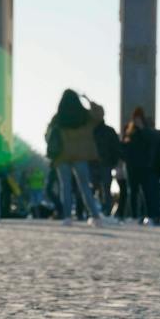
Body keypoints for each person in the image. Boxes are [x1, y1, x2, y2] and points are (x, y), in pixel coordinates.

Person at [48, 90, 104, 227]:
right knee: (85, 187)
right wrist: (89, 100)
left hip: (62, 156)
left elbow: (48, 134)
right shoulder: (85, 115)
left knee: (65, 187)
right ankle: (95, 216)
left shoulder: (59, 117)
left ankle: (67, 217)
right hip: (81, 155)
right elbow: (100, 115)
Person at [122, 108, 160, 226]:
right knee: (133, 192)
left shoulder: (148, 131)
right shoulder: (129, 130)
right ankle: (134, 215)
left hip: (144, 166)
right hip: (132, 166)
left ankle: (149, 215)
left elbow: (152, 143)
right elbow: (125, 147)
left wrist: (142, 128)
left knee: (146, 192)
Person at [93, 107, 122, 220]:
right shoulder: (107, 130)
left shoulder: (94, 131)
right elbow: (116, 147)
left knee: (101, 188)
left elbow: (115, 147)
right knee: (104, 188)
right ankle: (104, 211)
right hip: (103, 163)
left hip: (100, 163)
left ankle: (103, 211)